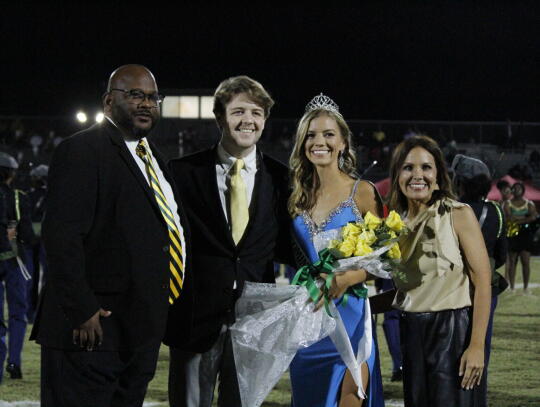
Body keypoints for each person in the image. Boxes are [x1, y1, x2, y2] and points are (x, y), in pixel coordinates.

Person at [30, 65, 191, 407]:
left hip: (137, 332)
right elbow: (62, 235)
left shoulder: (155, 159)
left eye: (152, 97)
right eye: (135, 95)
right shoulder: (83, 149)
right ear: (108, 101)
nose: (147, 104)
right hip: (91, 331)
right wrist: (82, 309)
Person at [164, 76, 292, 407]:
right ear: (219, 116)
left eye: (256, 112)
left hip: (254, 321)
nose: (247, 120)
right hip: (194, 318)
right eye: (238, 111)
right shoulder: (181, 172)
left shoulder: (283, 179)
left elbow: (291, 245)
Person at [288, 94, 384, 407]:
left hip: (350, 318)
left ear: (343, 142)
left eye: (329, 134)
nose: (320, 141)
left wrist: (344, 279)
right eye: (311, 135)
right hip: (309, 321)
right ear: (303, 143)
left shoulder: (364, 192)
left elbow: (386, 259)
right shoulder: (296, 199)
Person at [387, 136, 491, 407]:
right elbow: (408, 291)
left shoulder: (458, 214)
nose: (417, 175)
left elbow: (483, 283)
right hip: (411, 334)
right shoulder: (394, 225)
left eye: (426, 167)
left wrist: (477, 346)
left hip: (452, 335)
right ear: (397, 174)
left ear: (438, 176)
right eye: (408, 167)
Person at [451, 154, 508, 404]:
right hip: (487, 292)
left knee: (450, 350)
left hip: (453, 291)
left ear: (460, 182)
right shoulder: (495, 211)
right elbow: (502, 255)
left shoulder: (451, 210)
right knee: (479, 348)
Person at [0, 152, 35, 381]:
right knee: (17, 314)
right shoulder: (18, 197)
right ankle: (14, 362)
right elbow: (28, 236)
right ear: (11, 174)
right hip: (14, 261)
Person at [502, 182, 537, 293]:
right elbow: (508, 218)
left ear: (523, 190)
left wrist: (517, 219)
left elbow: (533, 217)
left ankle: (525, 288)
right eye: (515, 188)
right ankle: (512, 287)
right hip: (513, 234)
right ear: (512, 190)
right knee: (512, 261)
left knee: (525, 261)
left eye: (519, 188)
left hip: (525, 235)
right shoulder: (507, 203)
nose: (517, 190)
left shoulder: (529, 203)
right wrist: (524, 217)